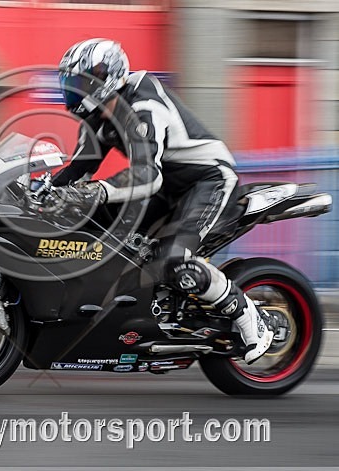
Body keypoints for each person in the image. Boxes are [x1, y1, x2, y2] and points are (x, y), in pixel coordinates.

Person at [52, 38, 273, 363]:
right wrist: (38, 190)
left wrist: (100, 190)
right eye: (70, 83)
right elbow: (79, 168)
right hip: (165, 188)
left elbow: (146, 174)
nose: (73, 91)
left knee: (175, 260)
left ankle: (250, 318)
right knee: (94, 223)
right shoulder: (96, 116)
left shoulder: (142, 106)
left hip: (206, 182)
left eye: (80, 82)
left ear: (106, 79)